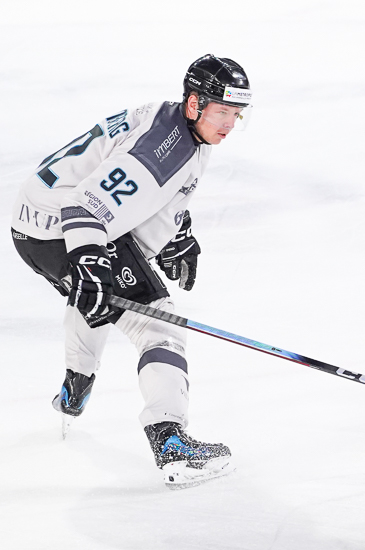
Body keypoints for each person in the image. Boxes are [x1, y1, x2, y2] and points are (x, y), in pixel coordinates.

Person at [10, 54, 253, 490]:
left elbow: (141, 197)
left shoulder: (173, 123)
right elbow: (86, 205)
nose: (230, 124)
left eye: (237, 114)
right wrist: (87, 260)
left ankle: (76, 384)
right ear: (195, 103)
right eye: (222, 111)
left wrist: (175, 232)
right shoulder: (166, 147)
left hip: (31, 229)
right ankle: (171, 440)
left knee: (98, 296)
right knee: (161, 328)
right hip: (64, 227)